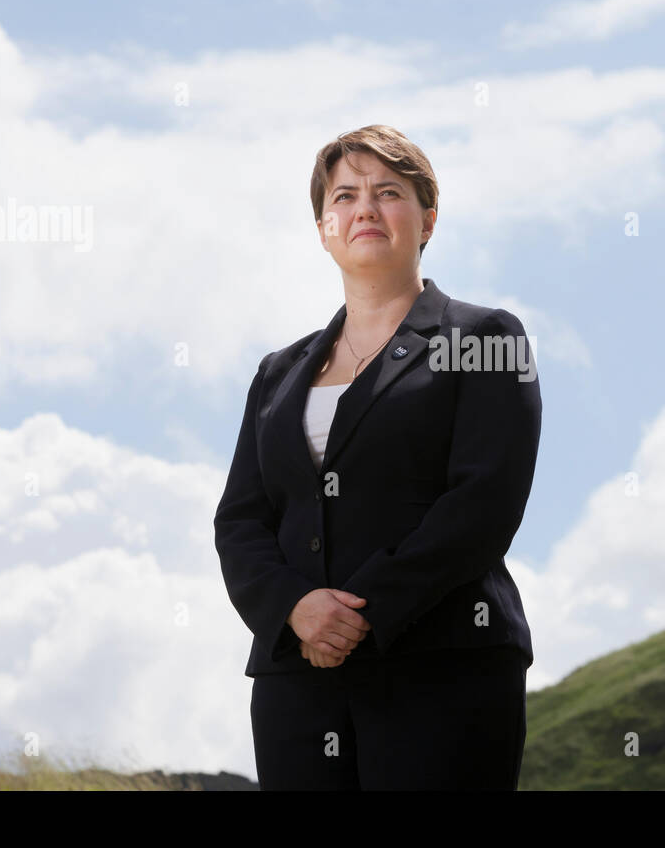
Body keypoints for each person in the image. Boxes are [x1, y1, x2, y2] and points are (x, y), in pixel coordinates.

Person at [214, 125, 542, 789]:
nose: (364, 208)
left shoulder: (484, 336)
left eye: (388, 192)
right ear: (322, 227)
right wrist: (296, 609)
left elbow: (482, 503)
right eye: (345, 195)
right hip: (297, 677)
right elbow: (240, 521)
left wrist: (357, 614)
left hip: (442, 663)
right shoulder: (277, 373)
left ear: (427, 219)